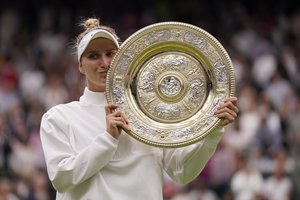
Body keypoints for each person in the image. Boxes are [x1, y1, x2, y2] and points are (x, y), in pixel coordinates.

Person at [40, 17, 239, 200]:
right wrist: (108, 139)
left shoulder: (149, 113)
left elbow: (181, 173)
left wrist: (212, 129)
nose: (105, 63)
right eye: (93, 56)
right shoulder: (59, 117)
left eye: (111, 54)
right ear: (80, 66)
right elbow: (61, 178)